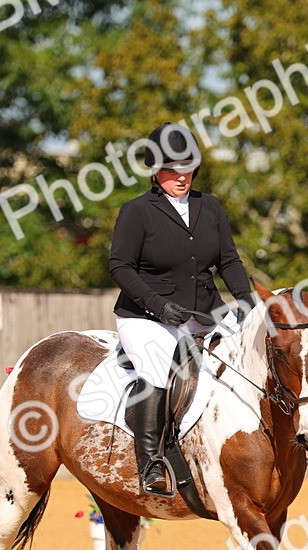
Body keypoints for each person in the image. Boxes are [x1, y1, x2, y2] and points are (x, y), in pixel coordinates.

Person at [108, 122, 255, 496]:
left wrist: (247, 303)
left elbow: (229, 261)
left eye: (188, 168)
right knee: (157, 367)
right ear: (156, 172)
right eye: (173, 169)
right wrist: (157, 305)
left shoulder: (210, 207)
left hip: (205, 311)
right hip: (145, 316)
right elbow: (120, 267)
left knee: (252, 355)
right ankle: (151, 463)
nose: (182, 176)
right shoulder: (137, 211)